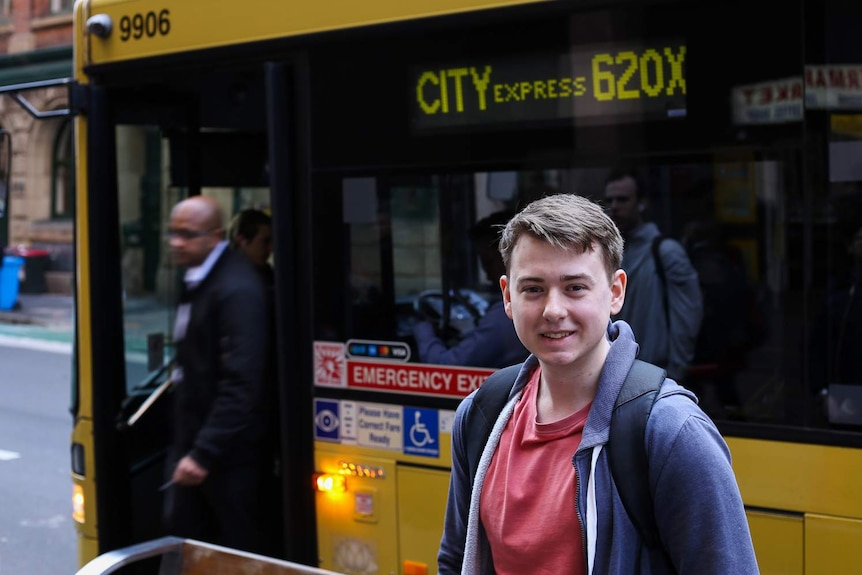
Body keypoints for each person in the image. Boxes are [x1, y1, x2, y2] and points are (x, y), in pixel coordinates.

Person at [438, 193, 759, 574]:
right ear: (508, 296)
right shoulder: (480, 416)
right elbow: (456, 560)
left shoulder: (672, 431)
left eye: (575, 287)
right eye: (533, 289)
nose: (553, 310)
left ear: (616, 292)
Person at [164, 195, 269, 552]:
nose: (177, 242)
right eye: (173, 232)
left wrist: (202, 453)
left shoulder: (236, 289)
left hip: (226, 459)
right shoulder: (200, 277)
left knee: (228, 548)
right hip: (199, 450)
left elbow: (242, 381)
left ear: (215, 235)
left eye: (187, 234)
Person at [604, 169, 702, 382]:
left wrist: (674, 375)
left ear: (641, 203)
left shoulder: (666, 252)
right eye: (609, 199)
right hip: (614, 375)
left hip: (655, 374)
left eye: (622, 199)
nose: (614, 206)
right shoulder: (606, 253)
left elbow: (686, 319)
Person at [412, 211, 529, 368]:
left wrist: (423, 330)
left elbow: (449, 366)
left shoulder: (505, 315)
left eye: (488, 263)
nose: (488, 276)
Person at [228, 208, 274, 286]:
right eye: (265, 241)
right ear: (242, 241)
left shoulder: (268, 275)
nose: (271, 248)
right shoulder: (224, 279)